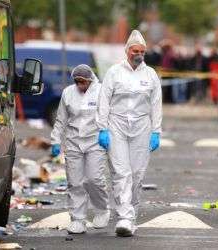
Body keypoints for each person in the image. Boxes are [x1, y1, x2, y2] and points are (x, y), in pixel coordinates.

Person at [96, 30, 162, 237]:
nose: (139, 54)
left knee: (137, 174)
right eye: (135, 50)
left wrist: (156, 131)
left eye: (142, 51)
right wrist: (102, 128)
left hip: (142, 127)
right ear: (127, 51)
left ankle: (131, 215)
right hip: (117, 125)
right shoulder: (114, 72)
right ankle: (124, 216)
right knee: (120, 172)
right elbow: (104, 101)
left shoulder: (150, 74)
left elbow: (156, 104)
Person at [50, 64, 110, 234]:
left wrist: (107, 133)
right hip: (73, 141)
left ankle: (101, 209)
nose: (80, 85)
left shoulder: (101, 92)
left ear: (90, 80)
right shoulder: (68, 93)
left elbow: (108, 115)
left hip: (95, 140)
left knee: (93, 179)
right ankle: (78, 219)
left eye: (83, 82)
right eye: (77, 82)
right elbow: (61, 119)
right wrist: (55, 140)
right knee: (75, 182)